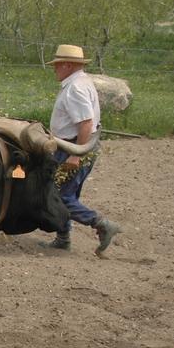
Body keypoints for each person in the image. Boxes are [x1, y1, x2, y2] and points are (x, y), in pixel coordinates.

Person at [45, 43, 122, 254]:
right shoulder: (83, 82)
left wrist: (74, 155)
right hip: (78, 145)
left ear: (68, 65)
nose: (55, 69)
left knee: (57, 196)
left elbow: (86, 123)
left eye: (58, 65)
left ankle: (101, 224)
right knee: (67, 194)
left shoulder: (75, 88)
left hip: (74, 146)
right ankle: (63, 237)